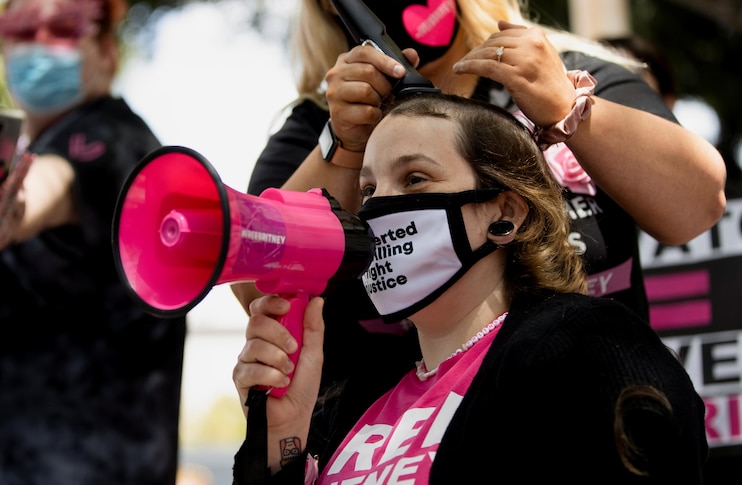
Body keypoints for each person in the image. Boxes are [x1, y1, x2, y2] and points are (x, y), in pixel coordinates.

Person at [230, 0, 726, 424]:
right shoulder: (321, 125)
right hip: (395, 441)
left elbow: (697, 207)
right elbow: (257, 280)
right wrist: (341, 147)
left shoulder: (566, 71)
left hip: (594, 416)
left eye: (414, 177)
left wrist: (567, 107)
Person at [231, 92, 708, 483]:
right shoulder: (354, 396)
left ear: (505, 213)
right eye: (370, 190)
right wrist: (281, 446)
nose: (377, 210)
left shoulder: (586, 344)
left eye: (415, 178)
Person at [0, 0, 186, 483]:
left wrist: (15, 208)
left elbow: (53, 186)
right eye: (22, 29)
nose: (39, 45)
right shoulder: (44, 147)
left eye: (64, 29)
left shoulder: (116, 141)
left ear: (106, 52)